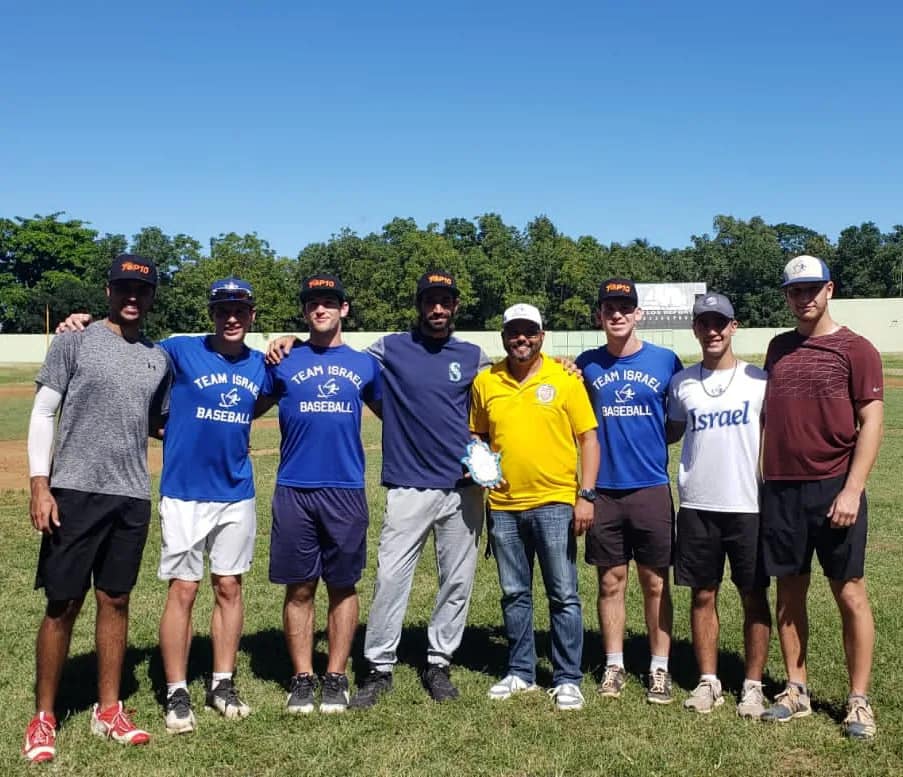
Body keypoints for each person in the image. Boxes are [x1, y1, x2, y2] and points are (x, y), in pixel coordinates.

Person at [53, 277, 268, 734]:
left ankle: (222, 682)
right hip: (184, 491)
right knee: (184, 589)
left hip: (236, 492)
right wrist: (81, 322)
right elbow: (127, 341)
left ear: (252, 317)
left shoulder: (261, 364)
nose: (232, 317)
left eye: (240, 310)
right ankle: (176, 688)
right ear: (211, 314)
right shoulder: (177, 350)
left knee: (229, 586)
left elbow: (263, 400)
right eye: (223, 309)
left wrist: (288, 342)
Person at [23, 254, 170, 763]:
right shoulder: (74, 340)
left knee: (117, 599)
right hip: (74, 492)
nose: (133, 297)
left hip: (131, 496)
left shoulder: (159, 358)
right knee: (63, 603)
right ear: (109, 291)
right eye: (124, 288)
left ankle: (108, 709)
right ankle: (43, 716)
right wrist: (41, 485)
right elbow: (44, 411)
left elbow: (158, 424)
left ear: (152, 298)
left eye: (143, 290)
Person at [759, 256, 883, 739]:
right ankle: (796, 688)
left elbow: (871, 421)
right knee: (789, 591)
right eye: (795, 290)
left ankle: (858, 701)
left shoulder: (857, 349)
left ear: (829, 289)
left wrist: (852, 489)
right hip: (783, 489)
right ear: (787, 295)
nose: (804, 297)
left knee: (849, 591)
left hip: (836, 487)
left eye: (812, 288)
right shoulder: (778, 348)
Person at [260, 274, 382, 715]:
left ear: (344, 309)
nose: (321, 310)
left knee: (343, 585)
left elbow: (395, 415)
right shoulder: (282, 360)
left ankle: (335, 675)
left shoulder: (366, 365)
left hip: (345, 489)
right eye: (313, 303)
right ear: (305, 311)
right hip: (294, 488)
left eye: (329, 302)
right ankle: (302, 678)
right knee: (299, 588)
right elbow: (247, 406)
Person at [471, 304, 600, 711]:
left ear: (542, 335)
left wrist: (586, 494)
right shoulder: (485, 380)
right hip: (505, 506)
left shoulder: (564, 377)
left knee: (563, 594)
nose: (521, 339)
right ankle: (521, 672)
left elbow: (588, 439)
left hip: (555, 503)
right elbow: (476, 434)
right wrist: (478, 462)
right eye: (514, 332)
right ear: (504, 335)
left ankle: (567, 678)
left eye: (529, 332)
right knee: (514, 593)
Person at [575, 278, 683, 704]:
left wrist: (650, 444)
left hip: (651, 487)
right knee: (610, 582)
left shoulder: (665, 361)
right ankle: (614, 665)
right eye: (609, 308)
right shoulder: (586, 365)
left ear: (638, 313)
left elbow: (674, 422)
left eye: (625, 307)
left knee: (656, 582)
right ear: (599, 315)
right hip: (603, 491)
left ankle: (659, 669)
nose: (616, 314)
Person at [666, 293, 772, 716]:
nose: (712, 331)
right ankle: (708, 681)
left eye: (719, 323)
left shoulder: (759, 380)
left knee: (753, 596)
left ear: (733, 326)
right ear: (695, 328)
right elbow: (671, 431)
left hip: (748, 504)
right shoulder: (682, 383)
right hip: (697, 503)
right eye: (703, 324)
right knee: (702, 595)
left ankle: (753, 684)